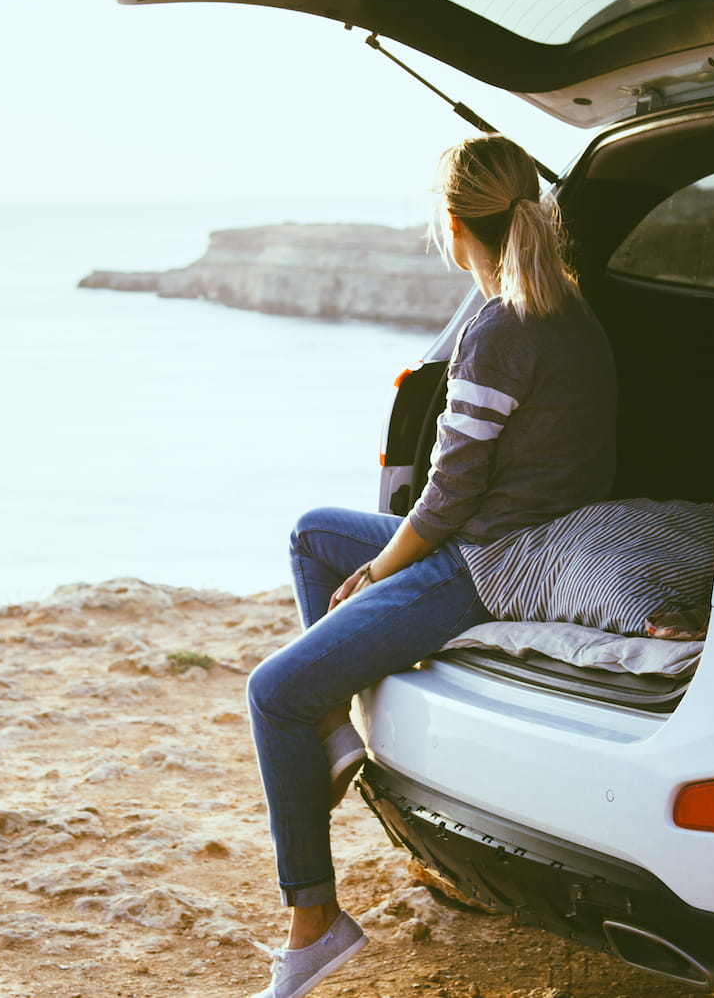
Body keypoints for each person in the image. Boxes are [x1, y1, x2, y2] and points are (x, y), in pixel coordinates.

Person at [243, 134, 618, 998]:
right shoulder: (571, 308)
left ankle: (314, 922)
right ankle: (333, 726)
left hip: (484, 562)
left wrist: (380, 573)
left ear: (453, 227)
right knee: (312, 534)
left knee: (272, 693)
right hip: (518, 533)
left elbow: (446, 500)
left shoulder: (499, 329)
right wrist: (379, 557)